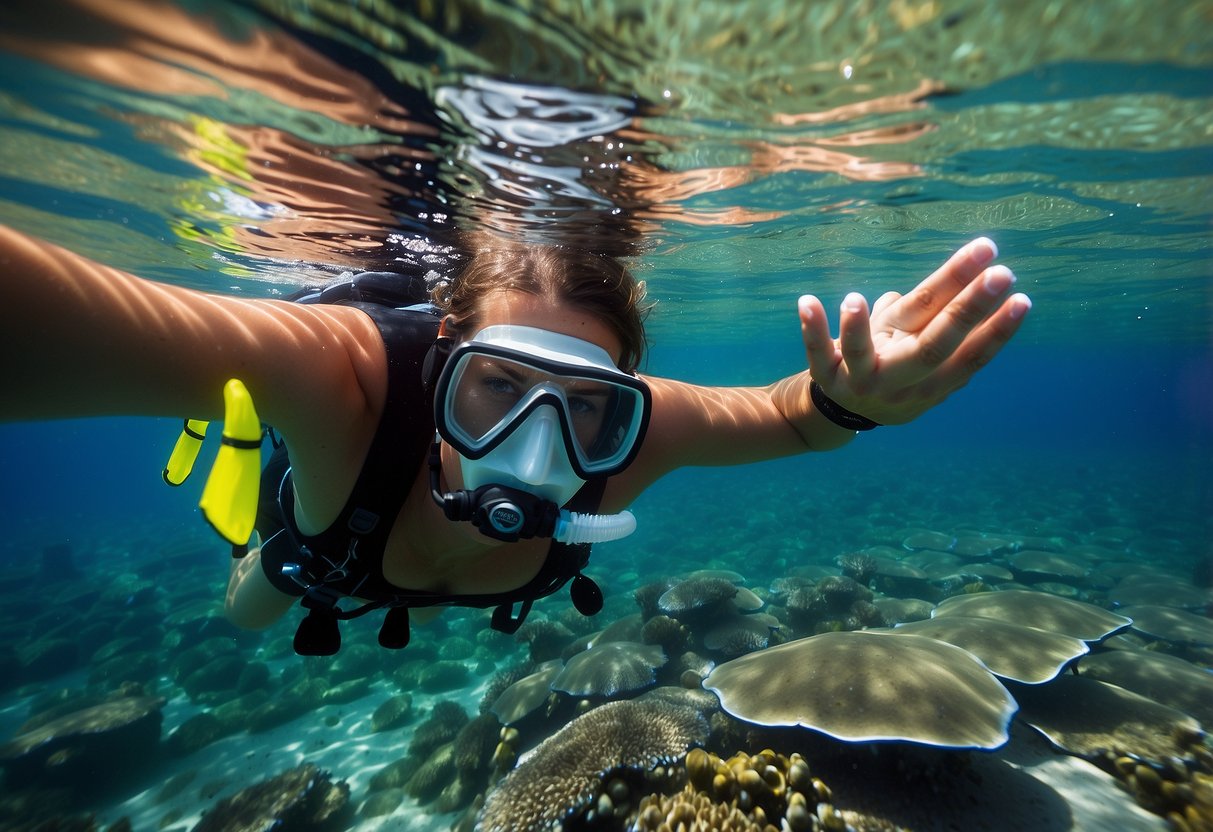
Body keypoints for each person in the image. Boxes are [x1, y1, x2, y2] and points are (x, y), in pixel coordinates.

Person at [0, 223, 1029, 653]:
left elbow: (788, 417)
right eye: (496, 389)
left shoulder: (638, 435)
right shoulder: (346, 377)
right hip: (316, 559)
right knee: (249, 610)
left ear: (627, 398)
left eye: (586, 407)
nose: (537, 457)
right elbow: (64, 327)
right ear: (439, 365)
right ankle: (255, 508)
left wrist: (853, 402)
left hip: (352, 556)